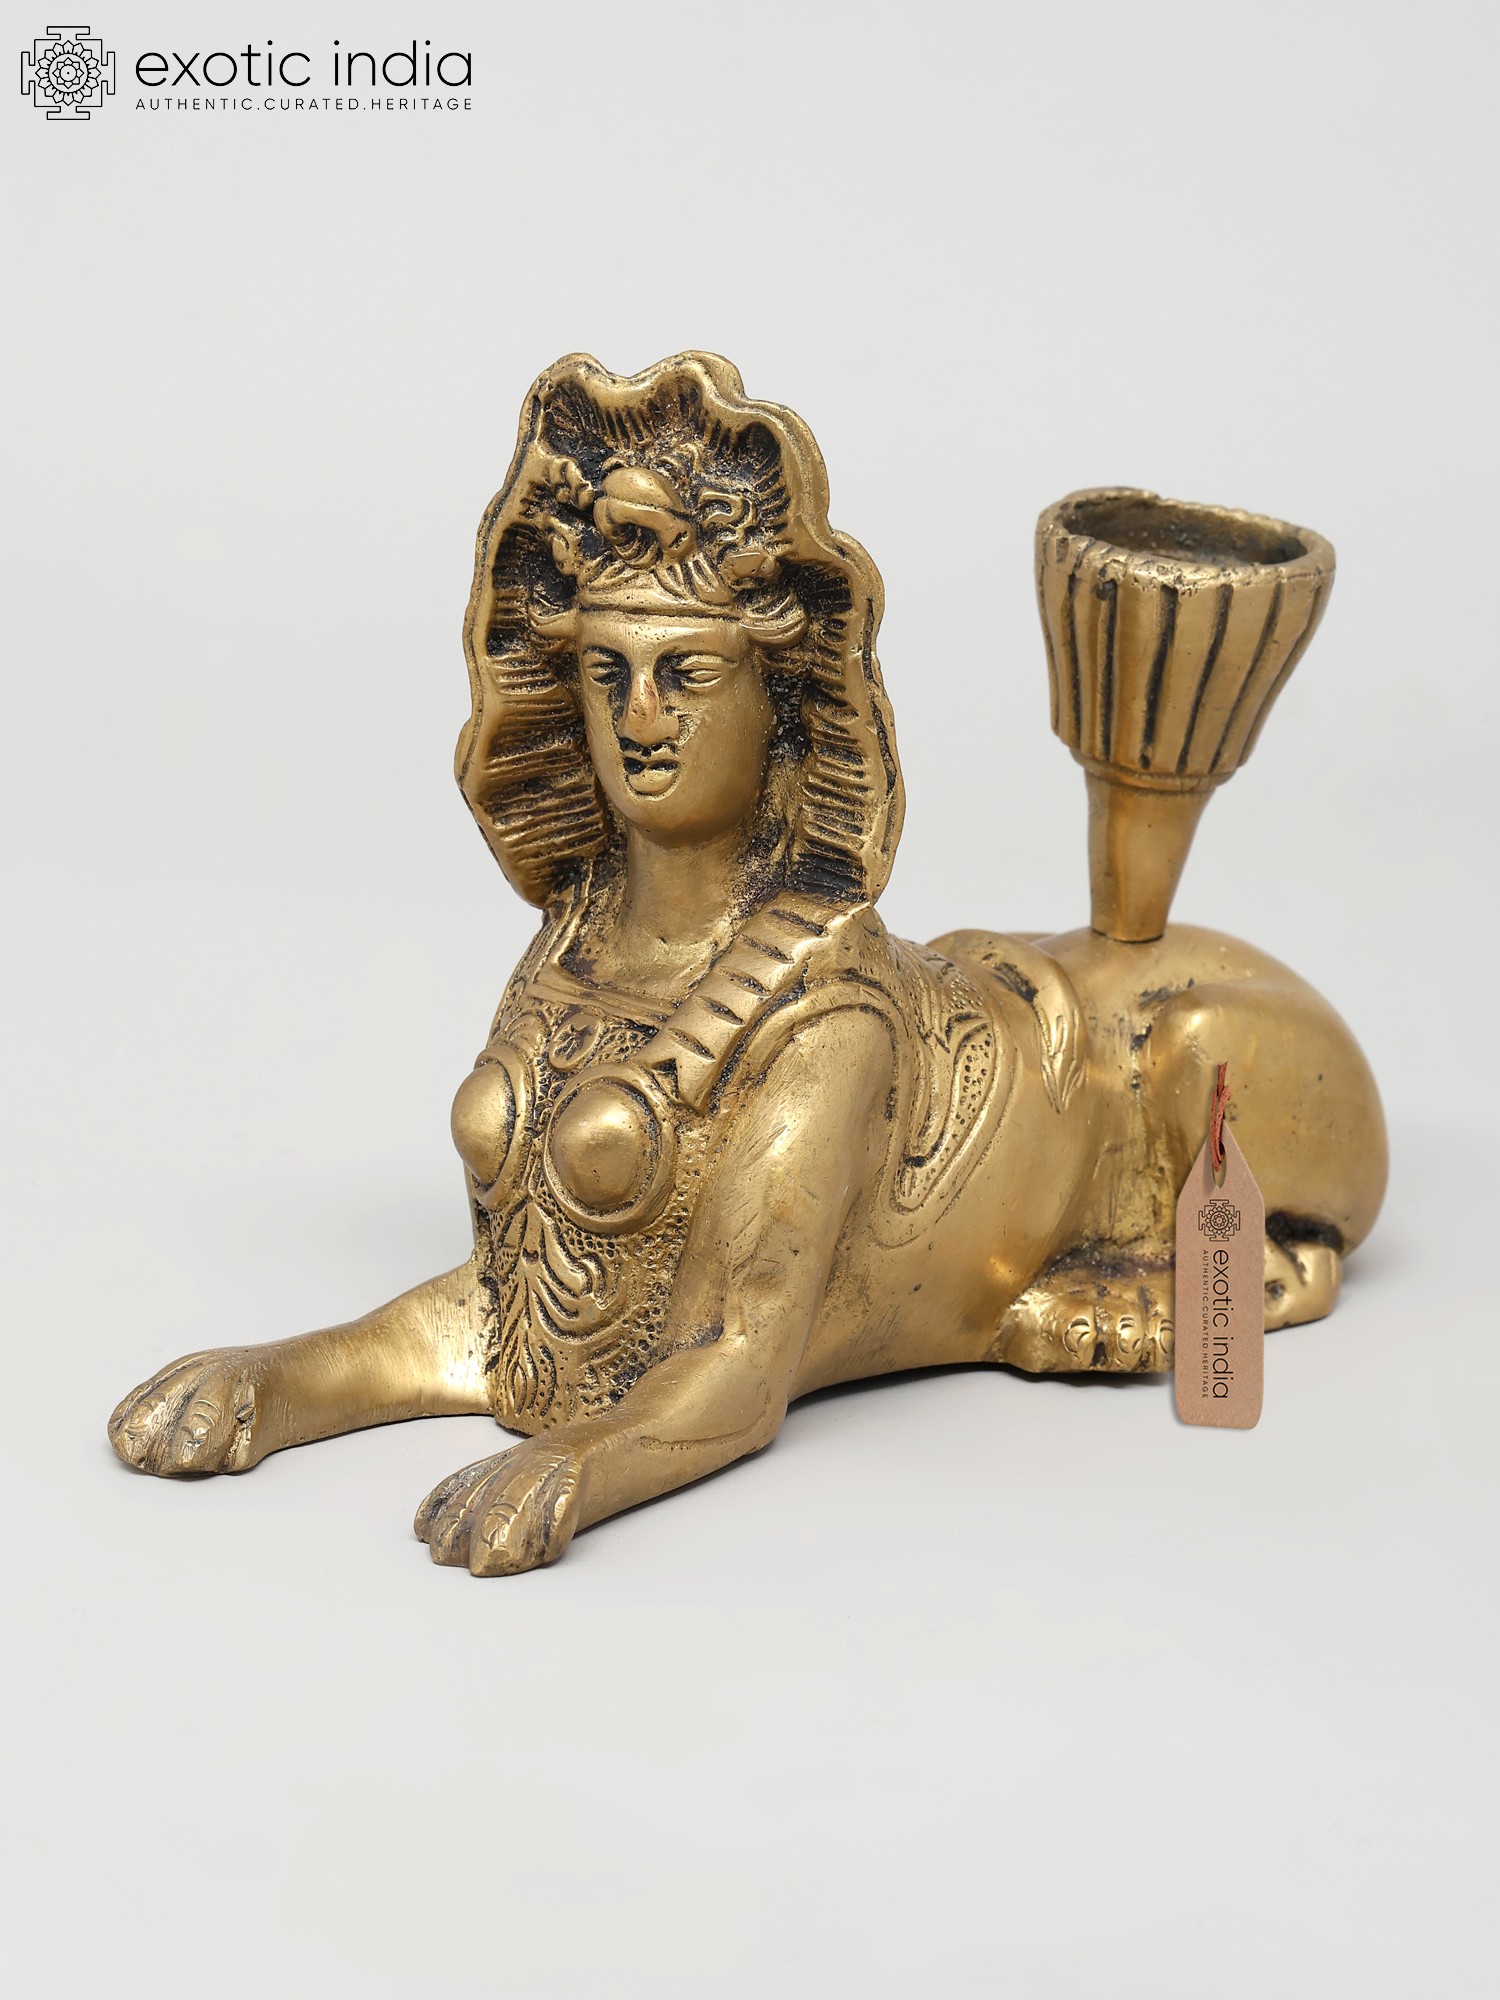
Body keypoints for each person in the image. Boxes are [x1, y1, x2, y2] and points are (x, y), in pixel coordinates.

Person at [109, 353, 1386, 1574]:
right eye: (606, 670)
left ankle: (1223, 1273)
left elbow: (736, 1360)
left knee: (1180, 1039)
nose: (639, 719)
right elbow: (506, 1309)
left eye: (687, 673)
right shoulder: (573, 945)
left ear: (775, 702)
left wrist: (582, 1468)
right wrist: (281, 1380)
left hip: (1127, 1048)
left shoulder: (822, 1019)